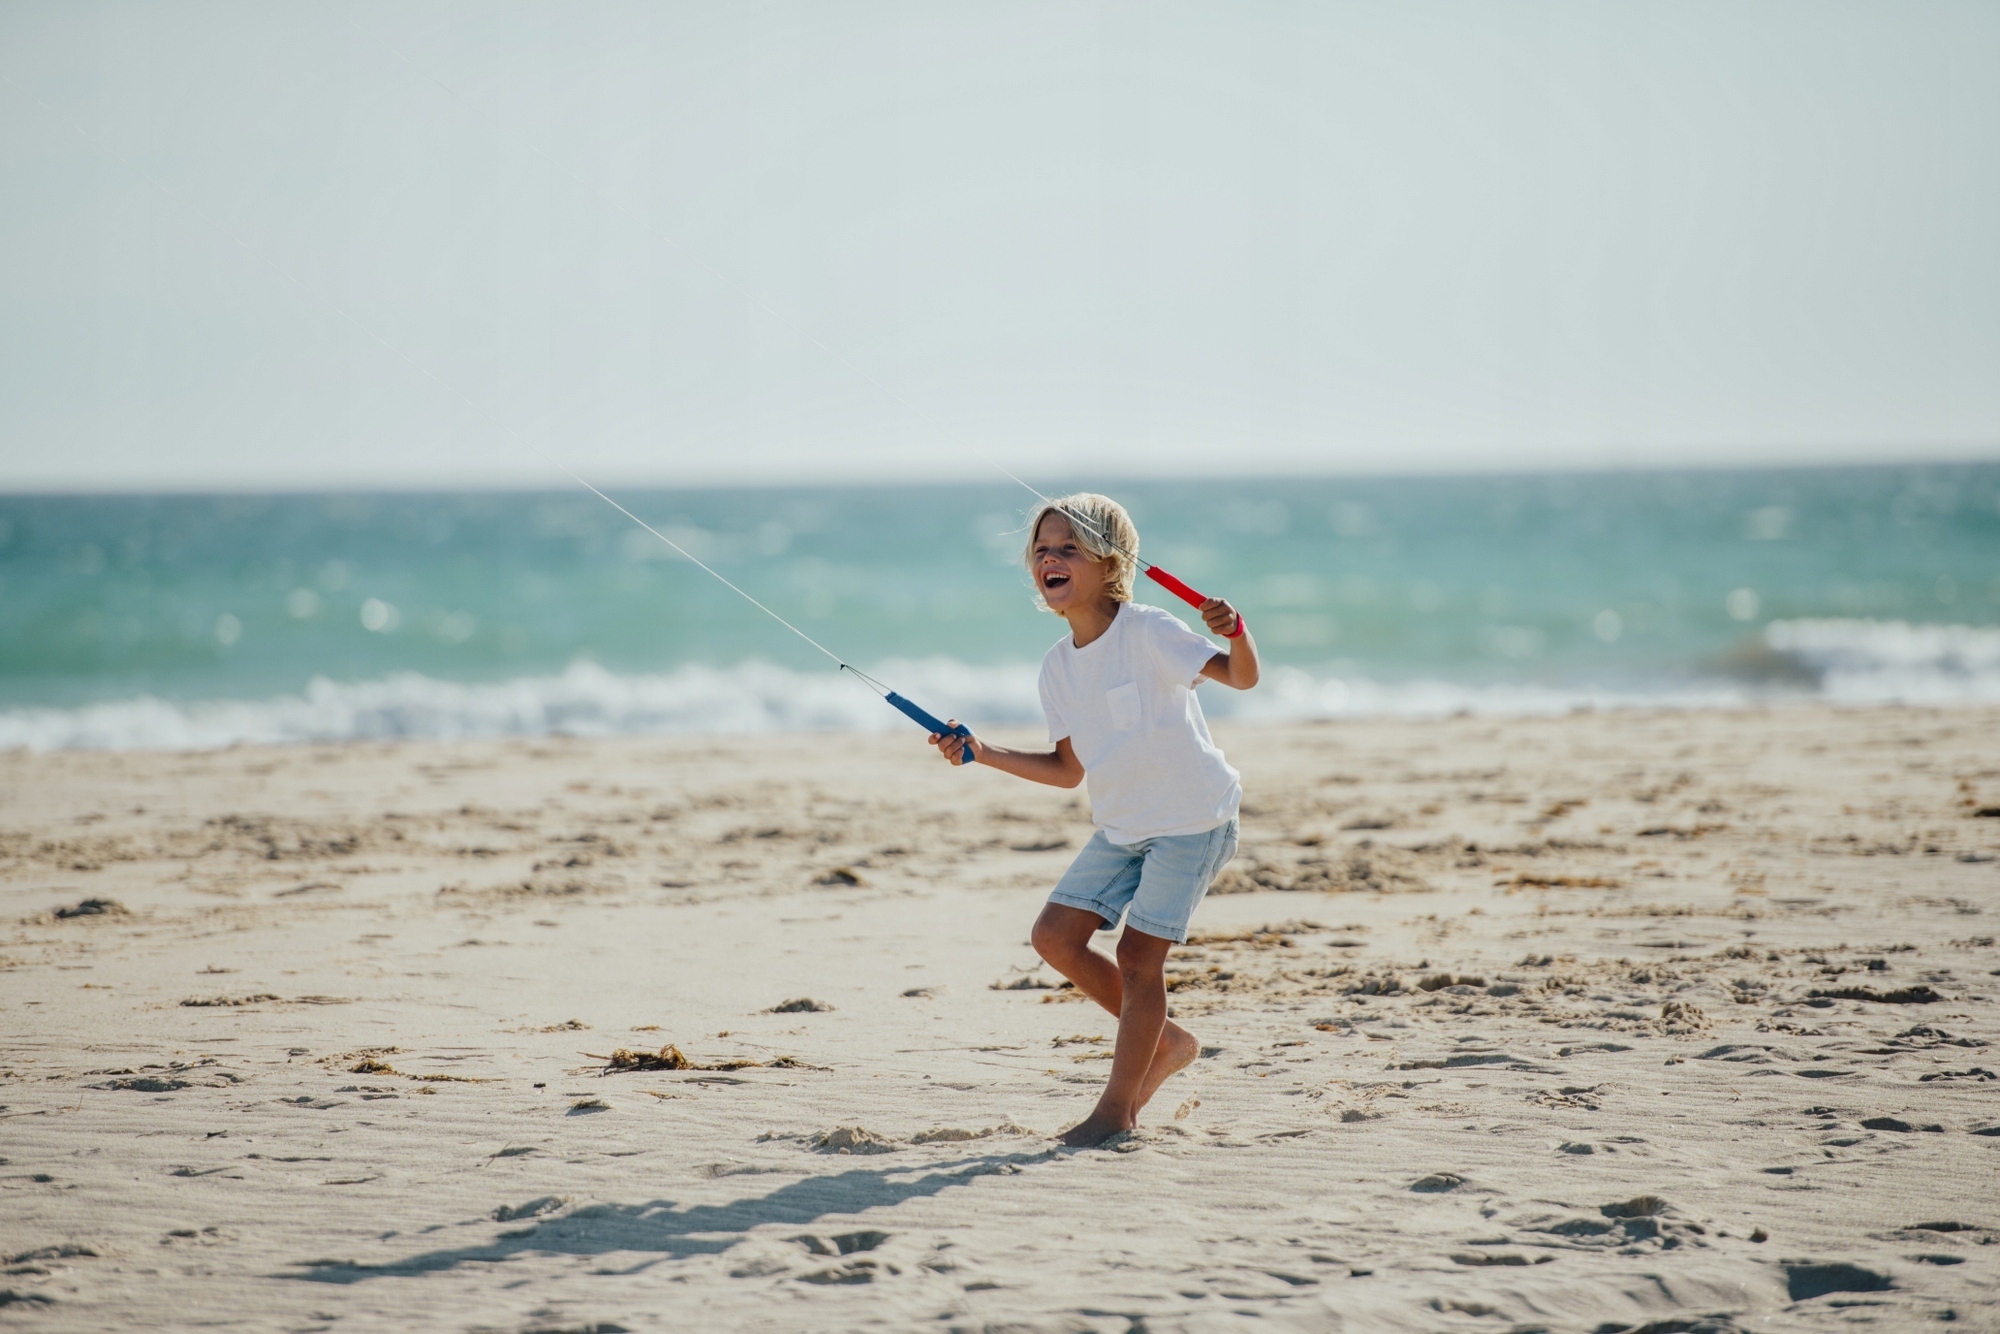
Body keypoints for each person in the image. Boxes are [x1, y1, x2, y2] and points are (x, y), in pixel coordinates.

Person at [929, 493, 1258, 1147]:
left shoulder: (1150, 630)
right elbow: (1066, 770)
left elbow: (1241, 679)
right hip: (1122, 827)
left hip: (1193, 818)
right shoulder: (1057, 667)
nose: (1049, 559)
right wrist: (982, 752)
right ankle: (1167, 1042)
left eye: (1068, 549)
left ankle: (1117, 1112)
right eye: (1041, 550)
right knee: (1054, 937)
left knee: (1138, 957)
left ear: (1111, 564)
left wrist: (1237, 632)